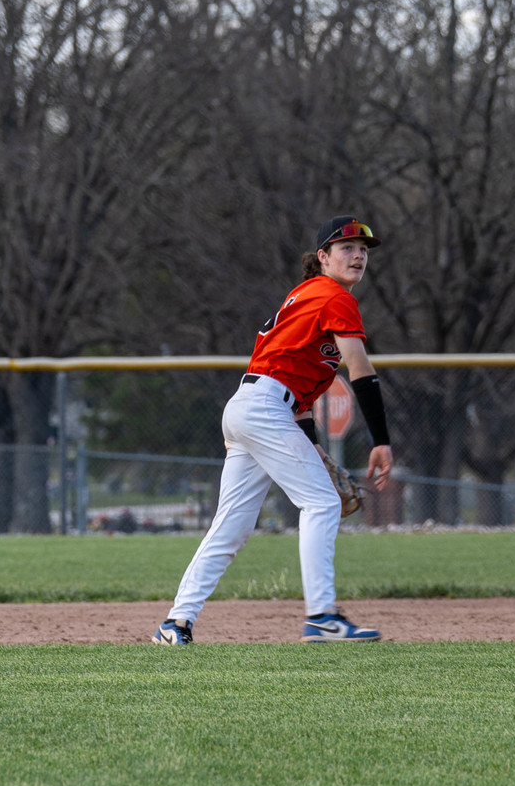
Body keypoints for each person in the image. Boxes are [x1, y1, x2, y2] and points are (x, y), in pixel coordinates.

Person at [153, 215, 394, 644]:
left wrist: (312, 446)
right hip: (265, 408)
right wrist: (381, 440)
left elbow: (296, 390)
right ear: (323, 257)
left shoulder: (307, 295)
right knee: (321, 502)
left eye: (363, 249)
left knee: (232, 526)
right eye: (347, 248)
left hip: (254, 407)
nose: (358, 255)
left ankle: (175, 623)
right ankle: (321, 616)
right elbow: (360, 369)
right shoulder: (334, 296)